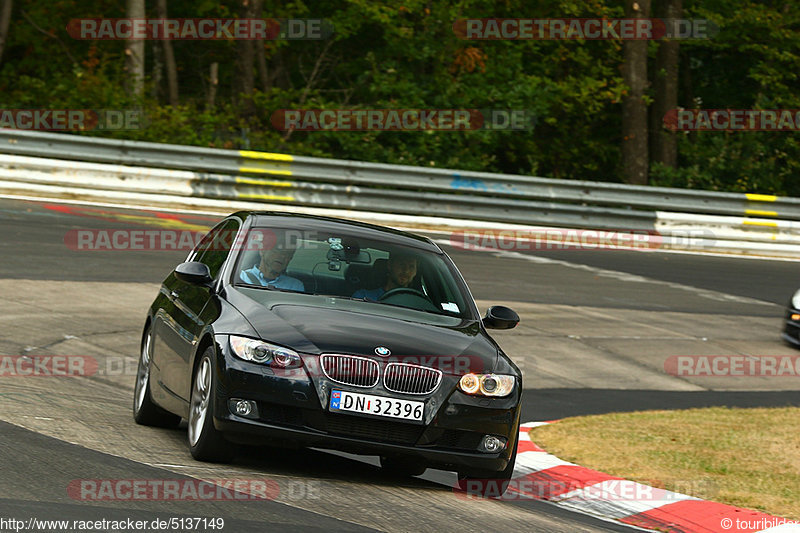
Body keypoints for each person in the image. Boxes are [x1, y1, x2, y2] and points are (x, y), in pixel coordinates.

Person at [353, 251, 418, 301]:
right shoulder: (363, 296)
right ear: (389, 265)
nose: (406, 270)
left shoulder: (418, 302)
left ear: (415, 272)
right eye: (402, 264)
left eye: (411, 267)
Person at [240, 243, 304, 292]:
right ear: (262, 251)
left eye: (288, 254)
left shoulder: (295, 286)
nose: (283, 256)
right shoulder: (242, 277)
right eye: (278, 251)